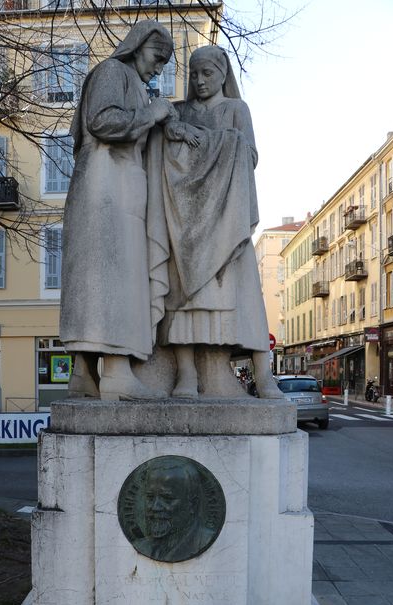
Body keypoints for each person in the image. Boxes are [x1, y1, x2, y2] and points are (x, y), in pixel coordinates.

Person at [147, 45, 282, 399]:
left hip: (226, 217)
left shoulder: (237, 109)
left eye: (207, 73)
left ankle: (263, 374)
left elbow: (249, 154)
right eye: (194, 74)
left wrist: (213, 143)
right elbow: (159, 141)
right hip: (185, 219)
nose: (200, 81)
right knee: (182, 298)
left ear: (223, 75)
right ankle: (186, 375)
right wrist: (171, 129)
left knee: (244, 295)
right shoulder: (181, 112)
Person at [60, 21, 176, 400]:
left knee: (97, 277)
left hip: (109, 189)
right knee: (114, 276)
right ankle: (116, 371)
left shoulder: (126, 79)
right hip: (108, 190)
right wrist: (154, 112)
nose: (159, 67)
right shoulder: (113, 71)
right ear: (137, 46)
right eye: (157, 57)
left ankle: (83, 374)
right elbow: (103, 121)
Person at [132, 457, 215, 562]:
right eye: (150, 497)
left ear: (193, 504)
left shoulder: (205, 540)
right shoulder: (142, 546)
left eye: (167, 498)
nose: (154, 507)